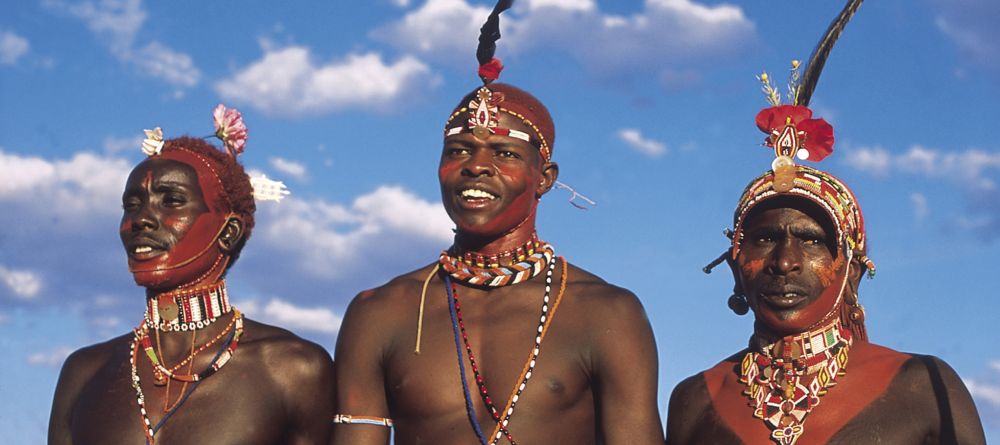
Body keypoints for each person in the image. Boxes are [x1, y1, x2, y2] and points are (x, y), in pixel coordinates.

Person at [331, 2, 662, 444]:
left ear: (544, 179)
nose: (476, 166)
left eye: (505, 153)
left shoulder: (607, 313)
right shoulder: (379, 313)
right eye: (459, 150)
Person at [665, 2, 986, 443]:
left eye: (813, 241)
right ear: (735, 265)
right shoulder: (695, 399)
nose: (785, 262)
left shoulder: (923, 386)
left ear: (851, 270)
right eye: (764, 238)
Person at [48, 106, 336, 445]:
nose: (141, 219)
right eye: (132, 205)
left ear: (228, 233)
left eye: (171, 201)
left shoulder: (292, 368)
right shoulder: (85, 372)